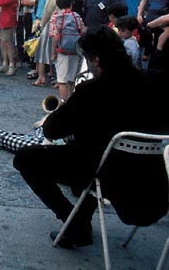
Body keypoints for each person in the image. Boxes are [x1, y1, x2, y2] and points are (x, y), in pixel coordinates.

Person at [13, 26, 169, 249]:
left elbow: (52, 131)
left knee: (25, 158)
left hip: (111, 178)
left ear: (95, 59)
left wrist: (69, 108)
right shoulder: (156, 80)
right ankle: (80, 221)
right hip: (152, 183)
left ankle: (74, 222)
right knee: (95, 157)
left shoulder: (92, 90)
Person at [48, 0, 84, 102]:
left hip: (61, 50)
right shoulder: (76, 16)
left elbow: (54, 36)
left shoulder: (55, 17)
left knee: (61, 79)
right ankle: (71, 101)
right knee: (72, 77)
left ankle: (63, 101)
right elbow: (81, 31)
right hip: (75, 49)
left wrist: (53, 52)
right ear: (71, 4)